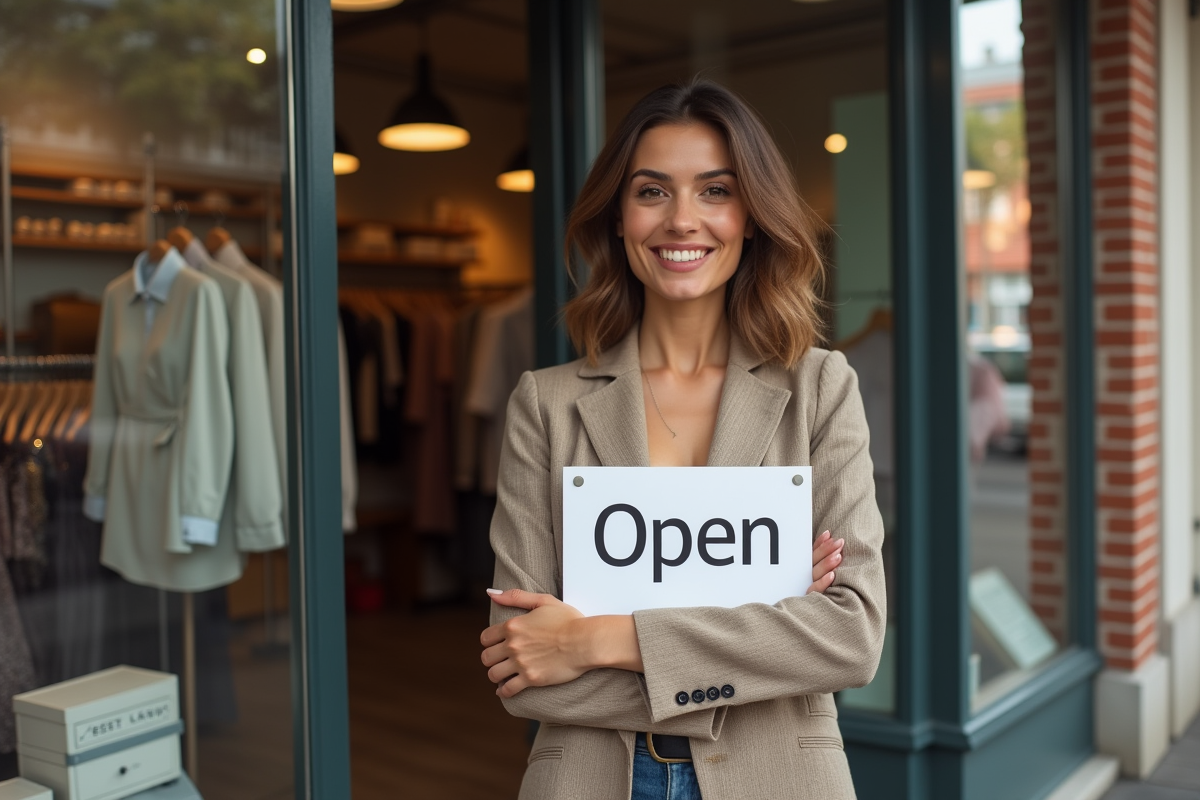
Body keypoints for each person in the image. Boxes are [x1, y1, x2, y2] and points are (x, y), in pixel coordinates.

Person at [478, 79, 886, 800]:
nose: (683, 220)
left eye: (715, 191)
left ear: (751, 215)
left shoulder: (819, 389)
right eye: (653, 192)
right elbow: (522, 671)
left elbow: (849, 637)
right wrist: (764, 652)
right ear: (618, 217)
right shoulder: (546, 405)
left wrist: (595, 640)